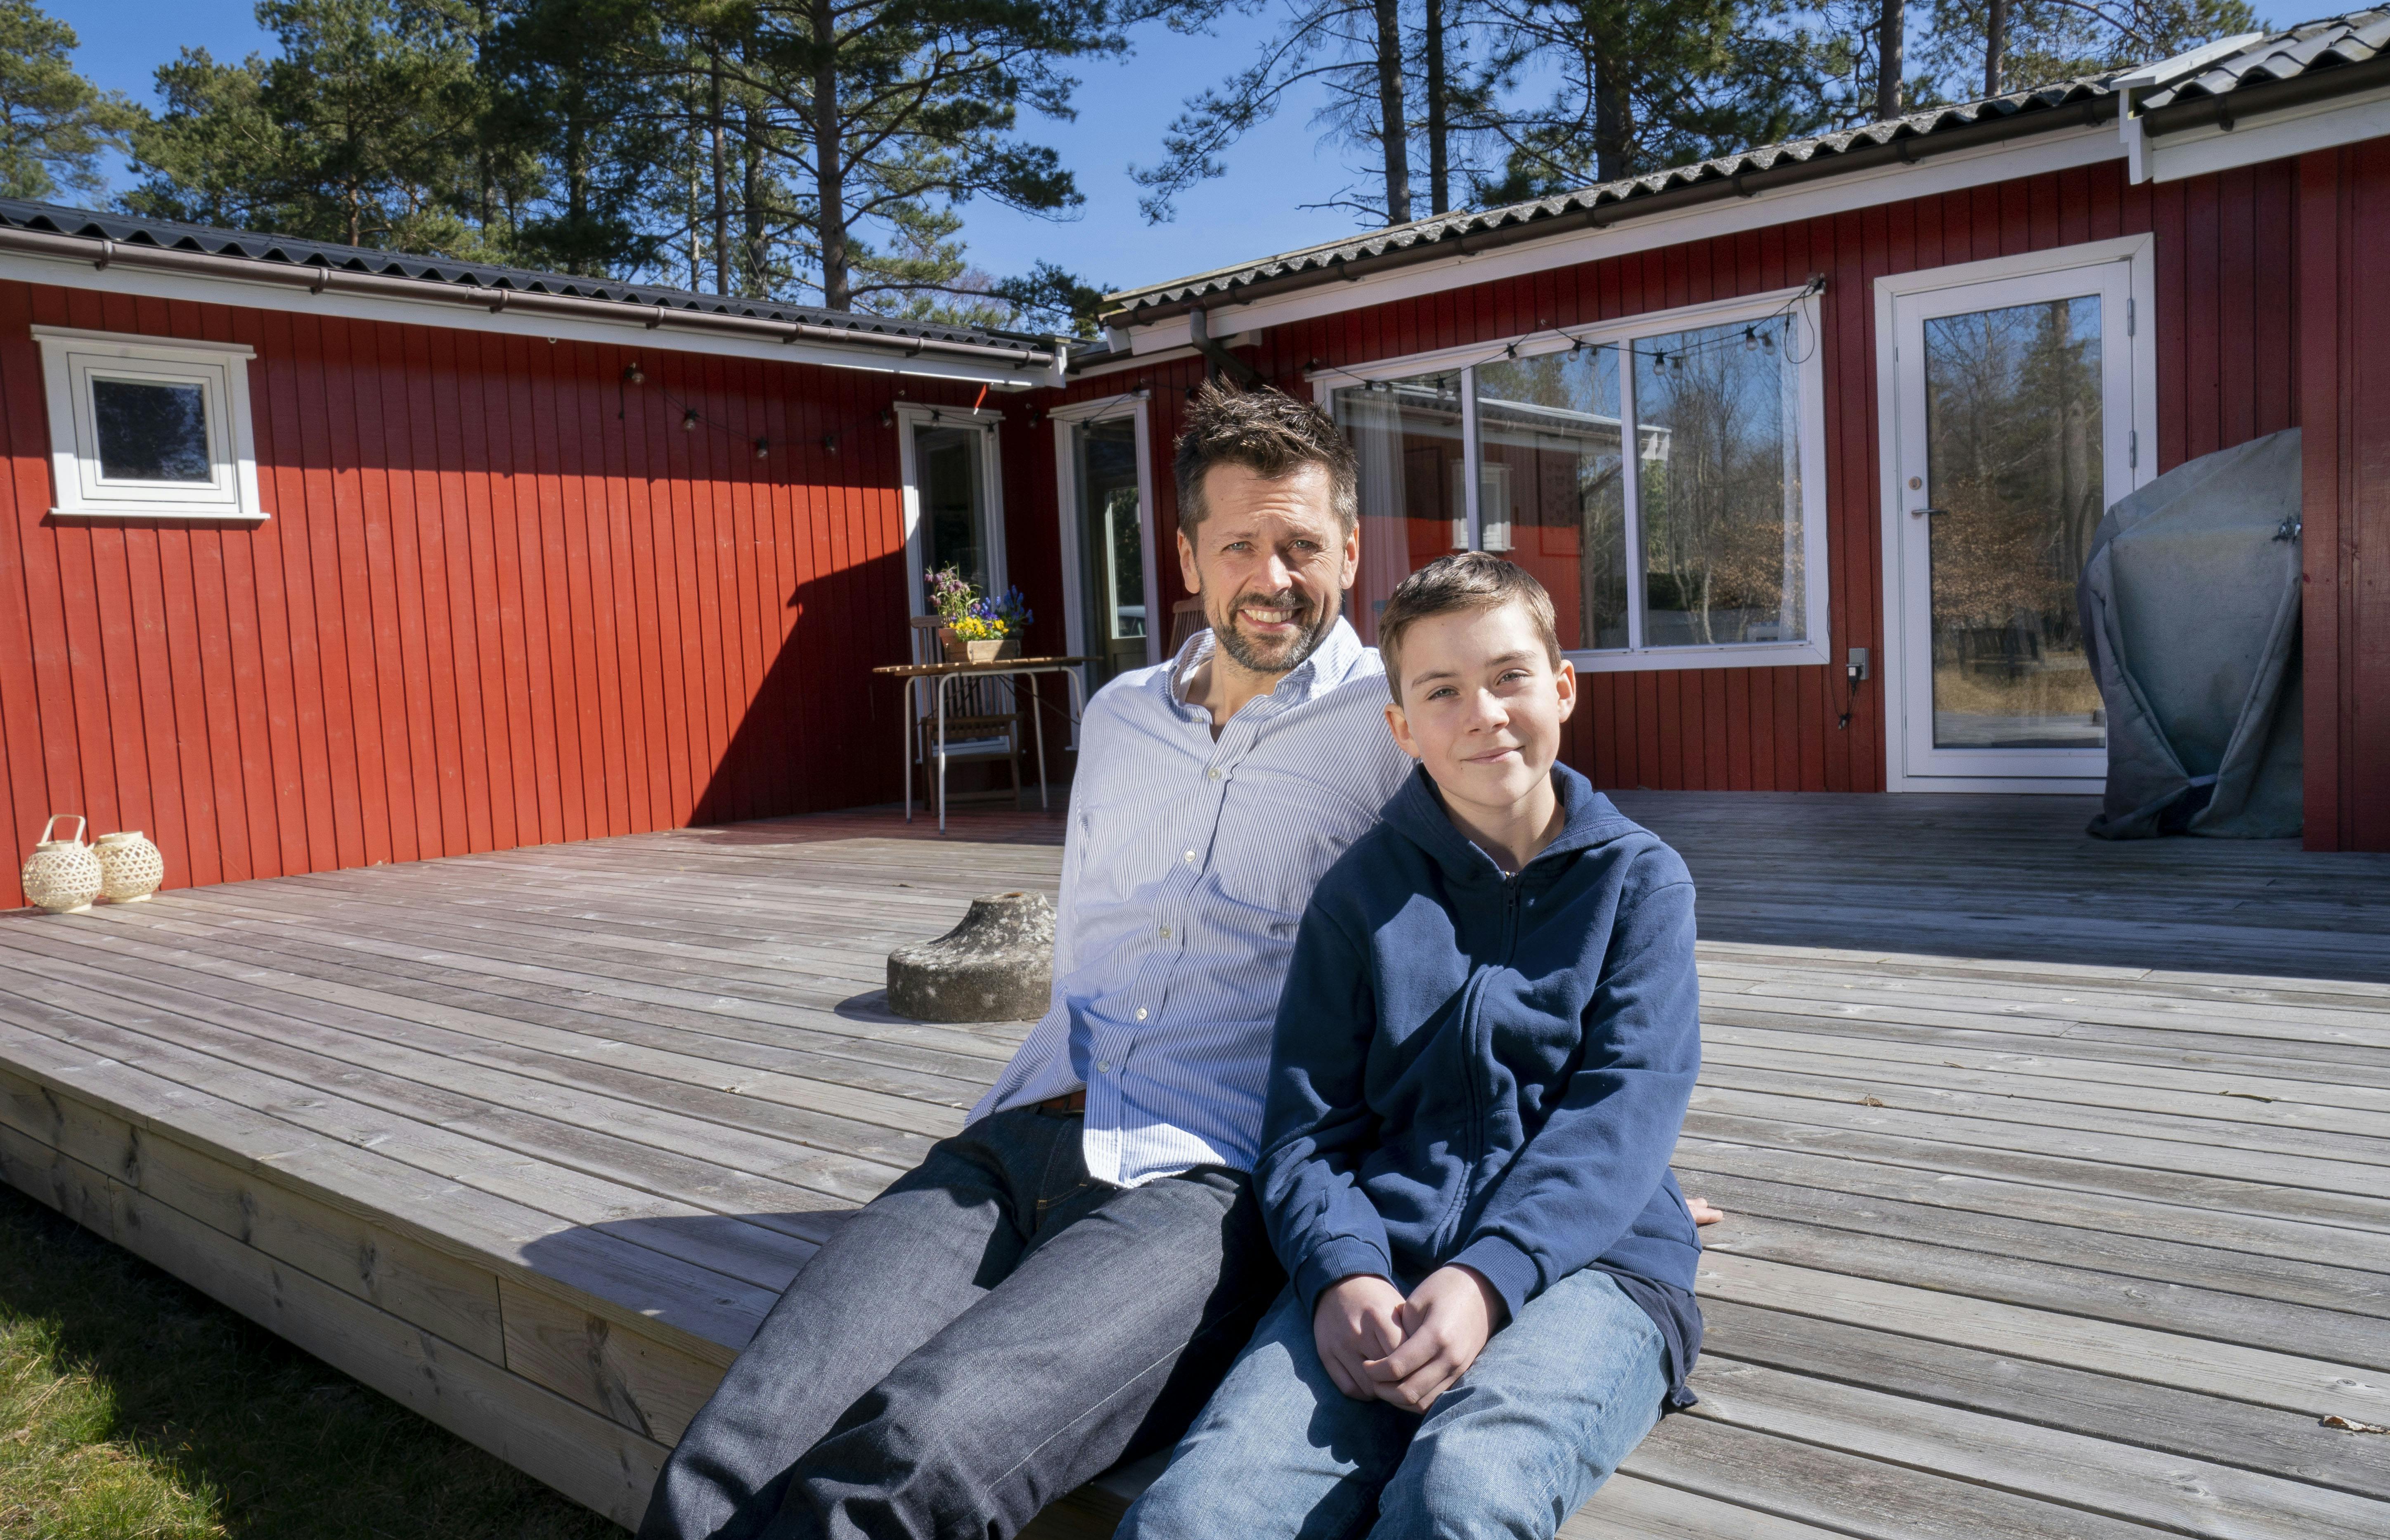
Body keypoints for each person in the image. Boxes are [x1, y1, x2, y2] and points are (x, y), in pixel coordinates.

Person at [637, 384, 1712, 1540]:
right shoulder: (1117, 716)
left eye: (1303, 544)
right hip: (1016, 1135)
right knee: (739, 1445)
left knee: (914, 1450)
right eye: (1239, 541)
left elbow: (1524, 884)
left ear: (1350, 549)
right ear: (1186, 551)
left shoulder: (1397, 713)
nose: (1274, 574)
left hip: (1205, 1170)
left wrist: (1617, 1187)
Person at [1118, 552, 1704, 1540]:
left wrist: (1489, 1276)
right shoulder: (1359, 897)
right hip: (1380, 1261)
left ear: (1561, 687)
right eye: (1443, 691)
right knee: (1196, 1517)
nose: (1483, 713)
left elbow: (1624, 1108)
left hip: (1591, 1268)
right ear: (1401, 727)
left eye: (1510, 676)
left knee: (1459, 1494)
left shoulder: (1640, 885)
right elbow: (1306, 1129)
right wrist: (1340, 1269)